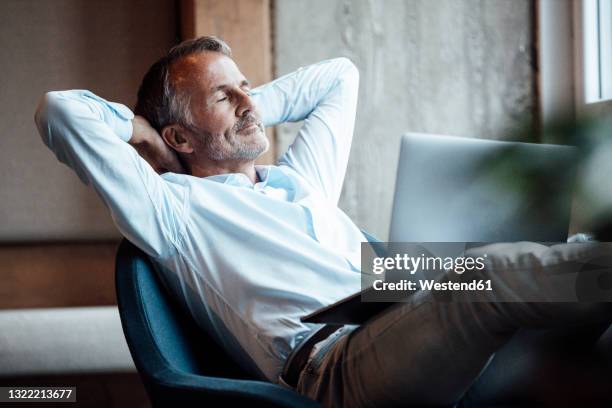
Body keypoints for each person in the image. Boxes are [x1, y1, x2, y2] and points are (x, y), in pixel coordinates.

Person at [35, 36, 611, 407]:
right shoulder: (174, 210)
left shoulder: (298, 179)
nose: (247, 102)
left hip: (399, 304)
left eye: (247, 88)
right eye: (222, 96)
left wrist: (239, 103)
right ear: (180, 136)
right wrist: (145, 133)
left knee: (560, 255)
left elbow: (339, 76)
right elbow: (60, 112)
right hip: (339, 365)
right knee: (492, 277)